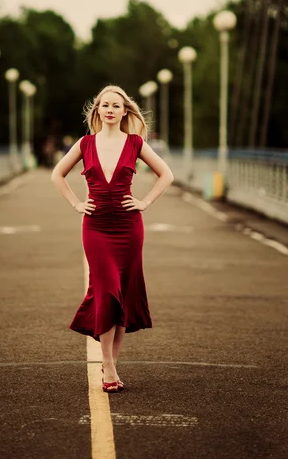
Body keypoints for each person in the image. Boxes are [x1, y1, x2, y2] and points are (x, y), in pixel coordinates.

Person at [51, 85, 174, 392]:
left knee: (123, 296)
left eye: (115, 106)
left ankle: (112, 366)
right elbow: (57, 175)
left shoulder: (135, 143)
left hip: (129, 227)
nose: (109, 109)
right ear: (97, 110)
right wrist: (77, 204)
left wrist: (144, 202)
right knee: (106, 292)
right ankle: (107, 366)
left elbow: (167, 174)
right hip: (95, 227)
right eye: (104, 105)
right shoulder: (86, 143)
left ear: (124, 111)